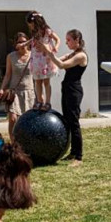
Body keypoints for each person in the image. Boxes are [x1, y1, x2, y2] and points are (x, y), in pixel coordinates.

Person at [39, 28, 88, 166]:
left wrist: (48, 51)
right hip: (66, 89)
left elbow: (61, 65)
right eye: (65, 40)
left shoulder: (81, 56)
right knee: (67, 121)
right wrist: (43, 53)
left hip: (74, 91)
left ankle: (78, 157)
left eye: (69, 40)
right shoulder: (72, 54)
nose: (66, 43)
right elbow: (55, 60)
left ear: (77, 40)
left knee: (74, 122)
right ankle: (72, 152)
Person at [0, 32, 34, 138]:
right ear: (15, 44)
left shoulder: (34, 55)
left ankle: (25, 143)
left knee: (27, 120)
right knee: (13, 119)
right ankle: (13, 144)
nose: (22, 44)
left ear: (28, 42)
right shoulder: (11, 56)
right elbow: (8, 75)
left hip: (29, 92)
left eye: (24, 41)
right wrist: (2, 89)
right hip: (14, 92)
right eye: (19, 42)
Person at [24, 11, 60, 111]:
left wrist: (55, 47)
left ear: (36, 22)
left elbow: (58, 39)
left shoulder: (47, 31)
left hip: (45, 58)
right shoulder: (34, 32)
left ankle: (48, 102)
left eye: (30, 24)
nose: (30, 26)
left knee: (46, 81)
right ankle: (40, 101)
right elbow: (32, 40)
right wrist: (25, 44)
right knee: (37, 81)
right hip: (36, 58)